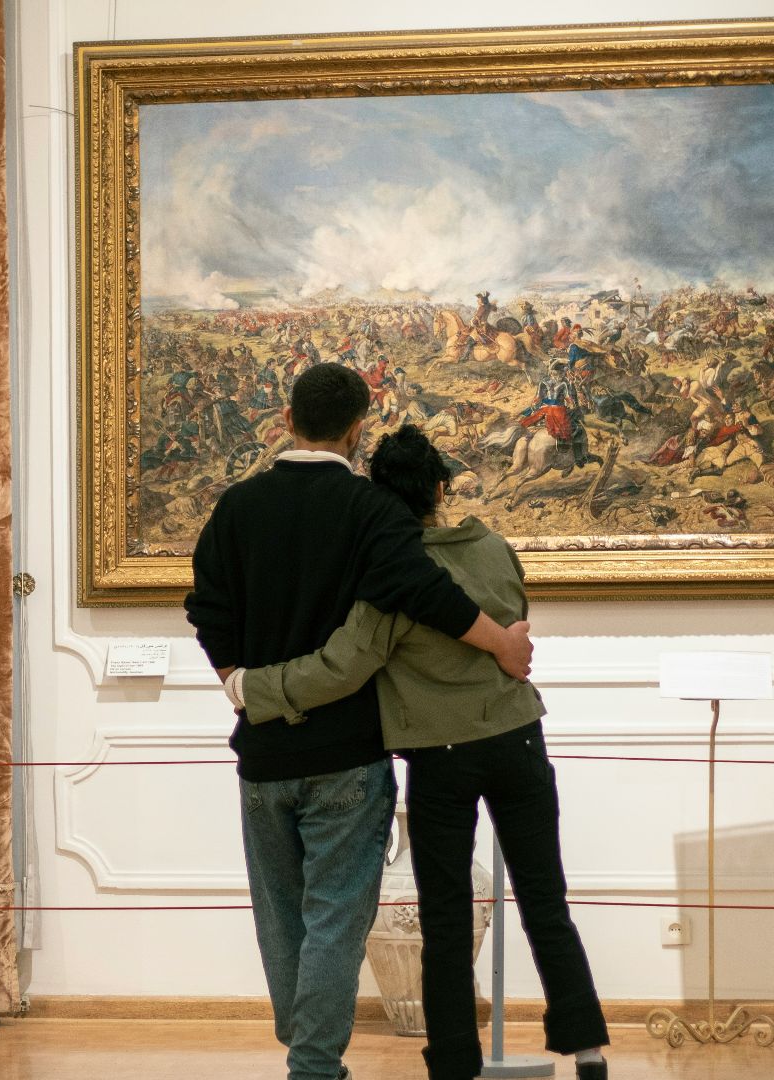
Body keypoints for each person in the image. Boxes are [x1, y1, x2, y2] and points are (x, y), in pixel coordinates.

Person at [228, 425, 611, 1080]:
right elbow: (516, 625)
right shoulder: (494, 547)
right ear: (440, 487)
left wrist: (252, 689)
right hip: (519, 736)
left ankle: (455, 1064)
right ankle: (588, 1053)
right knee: (547, 901)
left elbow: (342, 668)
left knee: (446, 918)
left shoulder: (389, 579)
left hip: (442, 754)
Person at [185, 365, 534, 1080]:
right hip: (346, 751)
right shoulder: (370, 509)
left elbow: (207, 608)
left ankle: (306, 1047)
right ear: (356, 430)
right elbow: (421, 588)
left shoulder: (236, 507)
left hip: (261, 754)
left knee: (281, 921)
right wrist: (501, 641)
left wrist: (237, 682)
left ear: (287, 419)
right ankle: (313, 1064)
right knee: (336, 921)